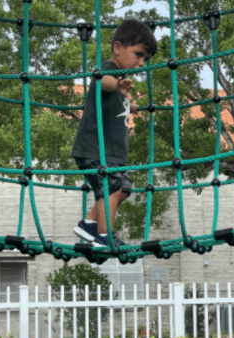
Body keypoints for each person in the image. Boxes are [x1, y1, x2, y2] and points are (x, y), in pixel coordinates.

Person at [71, 19, 157, 248]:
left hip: (113, 155)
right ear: (117, 48)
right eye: (138, 54)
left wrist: (137, 107)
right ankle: (104, 235)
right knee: (112, 187)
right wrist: (117, 86)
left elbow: (123, 102)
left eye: (145, 59)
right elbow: (102, 82)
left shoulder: (123, 82)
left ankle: (89, 223)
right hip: (94, 150)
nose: (140, 63)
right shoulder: (110, 71)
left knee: (124, 189)